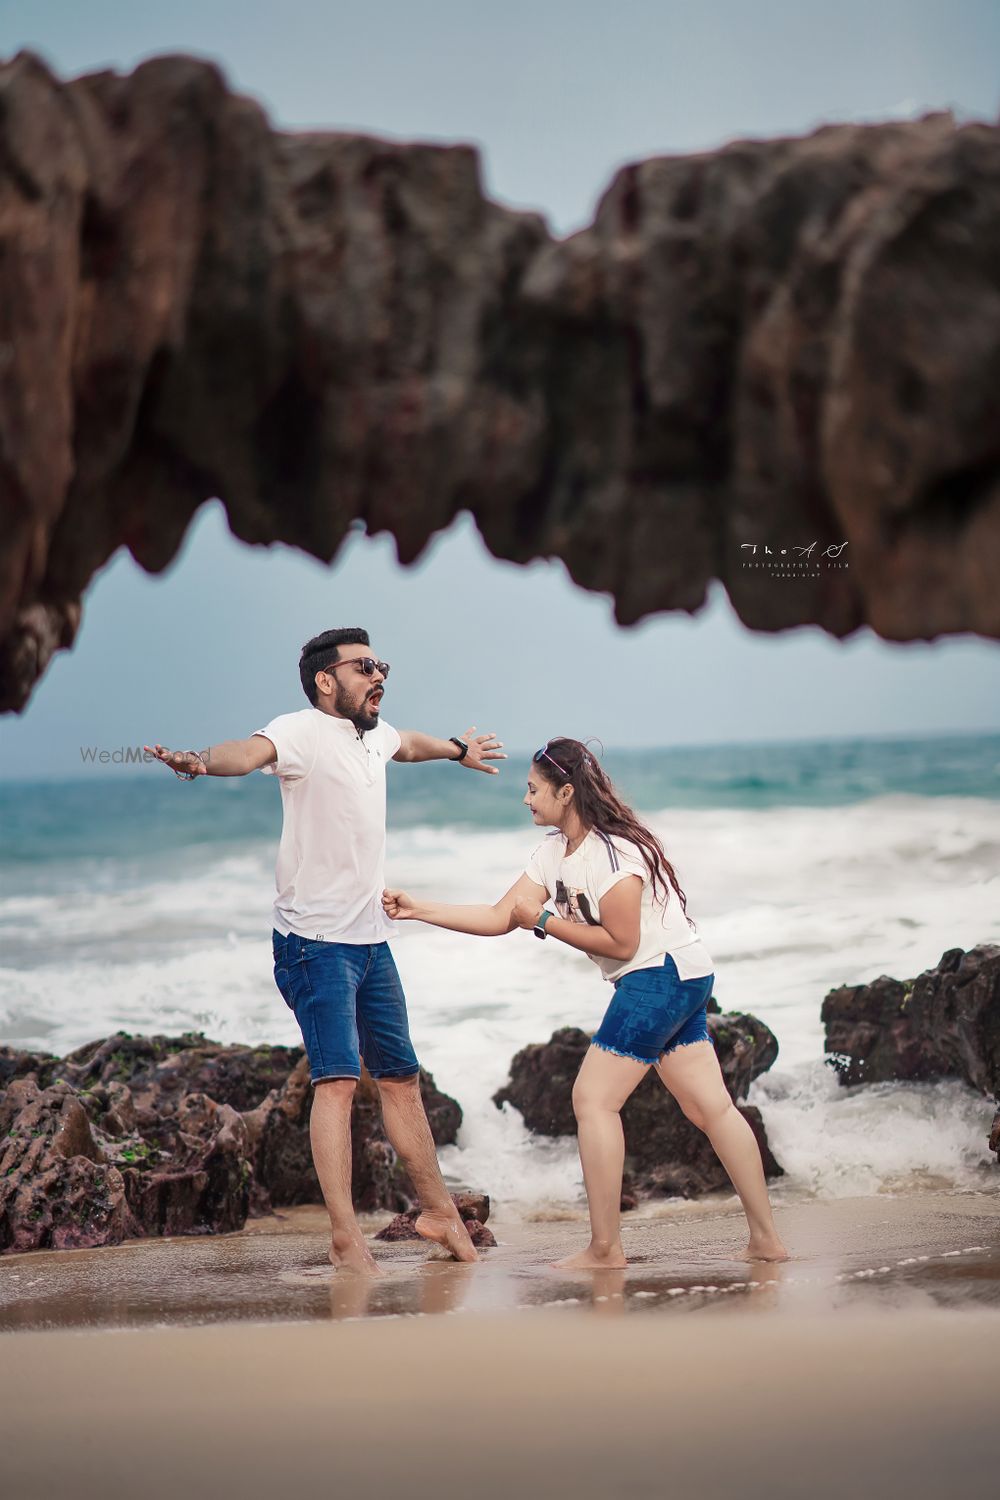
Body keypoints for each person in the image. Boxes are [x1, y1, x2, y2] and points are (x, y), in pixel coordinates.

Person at [145, 626, 506, 1274]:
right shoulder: (301, 732)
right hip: (315, 944)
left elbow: (410, 745)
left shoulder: (375, 735)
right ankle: (344, 1235)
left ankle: (438, 1212)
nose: (379, 676)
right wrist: (201, 761)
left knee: (400, 1080)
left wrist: (456, 749)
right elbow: (246, 753)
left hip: (371, 940)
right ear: (325, 680)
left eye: (381, 664)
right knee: (337, 1082)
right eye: (365, 666)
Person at [383, 737, 790, 1270]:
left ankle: (605, 1249)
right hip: (682, 974)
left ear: (566, 792)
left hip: (660, 975)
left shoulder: (615, 854)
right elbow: (502, 915)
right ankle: (766, 1241)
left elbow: (621, 943)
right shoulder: (554, 852)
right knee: (707, 1107)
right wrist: (420, 910)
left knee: (593, 1100)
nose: (526, 799)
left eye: (533, 789)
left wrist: (549, 923)